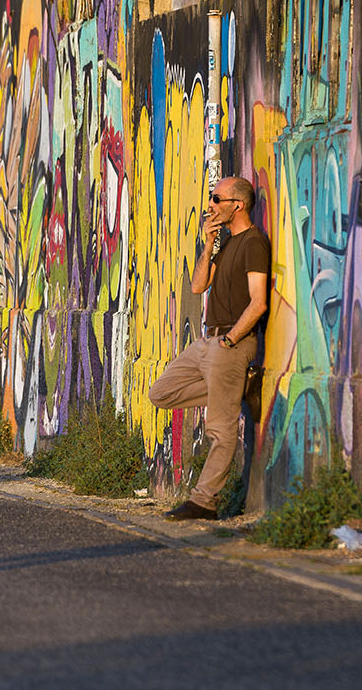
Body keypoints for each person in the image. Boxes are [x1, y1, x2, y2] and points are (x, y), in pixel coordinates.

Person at [148, 176, 269, 520]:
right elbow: (199, 285)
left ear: (237, 205)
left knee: (220, 429)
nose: (210, 205)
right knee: (161, 393)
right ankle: (239, 386)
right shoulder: (226, 242)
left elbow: (258, 302)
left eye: (217, 199)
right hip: (208, 342)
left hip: (230, 343)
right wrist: (209, 242)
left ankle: (204, 502)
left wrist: (231, 340)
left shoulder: (254, 244)